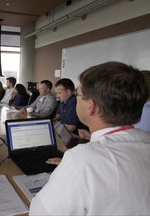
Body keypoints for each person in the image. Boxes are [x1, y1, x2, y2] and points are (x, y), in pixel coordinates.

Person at [29, 61, 150, 215]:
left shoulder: (82, 160)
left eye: (78, 95)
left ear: (90, 105)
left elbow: (40, 212)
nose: (75, 98)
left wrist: (73, 169)